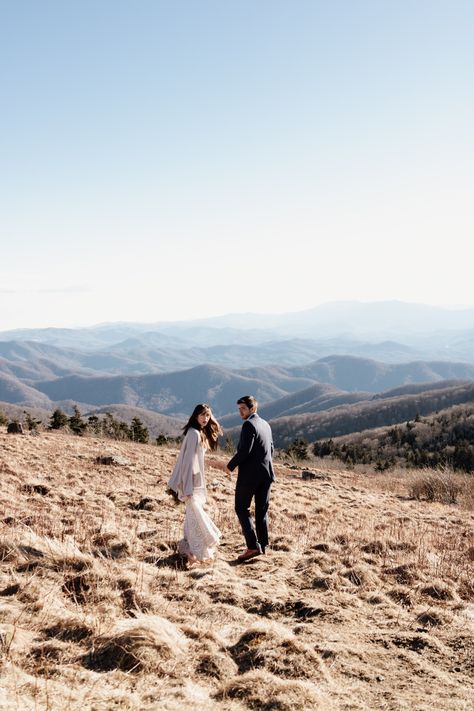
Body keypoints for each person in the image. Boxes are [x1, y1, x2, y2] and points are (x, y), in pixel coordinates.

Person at [168, 404, 222, 566]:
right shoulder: (193, 434)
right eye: (202, 415)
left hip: (195, 482)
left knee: (192, 518)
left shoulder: (198, 433)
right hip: (191, 483)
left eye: (207, 415)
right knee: (195, 517)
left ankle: (191, 552)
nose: (205, 419)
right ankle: (195, 552)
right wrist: (188, 487)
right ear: (195, 416)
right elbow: (187, 463)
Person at [226, 395, 275, 561]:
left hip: (250, 476)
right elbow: (271, 449)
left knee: (241, 508)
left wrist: (229, 466)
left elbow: (244, 451)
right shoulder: (266, 424)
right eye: (239, 409)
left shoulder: (248, 425)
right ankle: (263, 546)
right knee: (261, 511)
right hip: (267, 474)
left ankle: (252, 547)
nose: (240, 412)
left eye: (243, 409)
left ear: (253, 409)